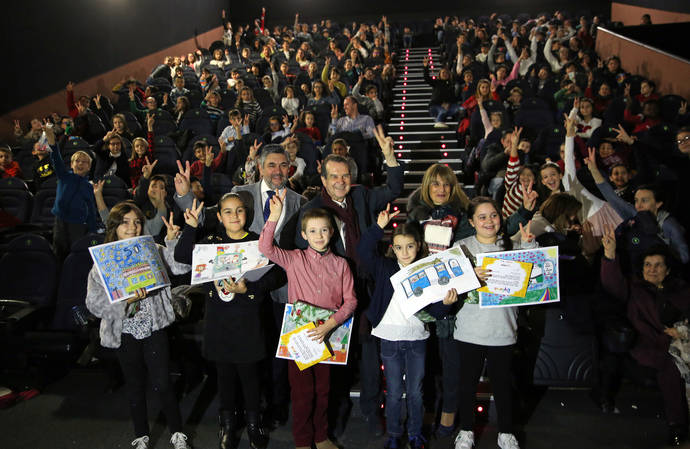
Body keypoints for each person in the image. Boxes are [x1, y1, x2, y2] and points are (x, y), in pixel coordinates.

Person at [295, 126, 403, 437]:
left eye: (345, 176)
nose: (341, 182)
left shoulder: (361, 195)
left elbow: (394, 187)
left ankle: (371, 411)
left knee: (370, 355)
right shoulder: (311, 211)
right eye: (334, 177)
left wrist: (389, 155)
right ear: (323, 180)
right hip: (333, 301)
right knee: (336, 361)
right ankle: (333, 419)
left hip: (367, 290)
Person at [85, 201, 192, 449]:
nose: (132, 227)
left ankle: (178, 433)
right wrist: (123, 302)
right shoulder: (103, 260)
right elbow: (93, 303)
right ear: (114, 226)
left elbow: (180, 267)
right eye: (125, 222)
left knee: (163, 383)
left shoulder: (152, 249)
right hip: (124, 331)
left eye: (137, 222)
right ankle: (141, 435)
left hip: (154, 326)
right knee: (134, 385)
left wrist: (173, 241)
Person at [175, 196, 276, 449]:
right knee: (225, 378)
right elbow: (182, 255)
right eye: (228, 212)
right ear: (219, 216)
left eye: (239, 210)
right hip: (219, 324)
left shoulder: (258, 242)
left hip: (248, 323)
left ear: (247, 214)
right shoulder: (211, 243)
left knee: (250, 378)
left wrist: (249, 288)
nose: (234, 216)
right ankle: (227, 425)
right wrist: (191, 227)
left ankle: (254, 424)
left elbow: (277, 275)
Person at [259, 192, 357, 449]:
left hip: (329, 335)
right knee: (302, 393)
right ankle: (303, 441)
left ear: (332, 233)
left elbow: (351, 301)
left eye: (324, 230)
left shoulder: (341, 265)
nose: (319, 235)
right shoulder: (294, 259)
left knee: (323, 392)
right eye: (313, 231)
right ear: (304, 235)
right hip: (300, 338)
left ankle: (321, 437)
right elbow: (266, 248)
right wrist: (274, 217)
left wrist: (332, 323)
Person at [357, 205, 458, 449]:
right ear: (392, 248)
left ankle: (414, 434)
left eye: (410, 246)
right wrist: (377, 228)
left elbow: (434, 311)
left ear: (419, 246)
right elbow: (363, 251)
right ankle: (394, 434)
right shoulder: (385, 268)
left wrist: (445, 304)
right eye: (399, 247)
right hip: (389, 337)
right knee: (393, 392)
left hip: (417, 339)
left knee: (415, 392)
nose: (405, 252)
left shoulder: (425, 271)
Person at [452, 197, 538, 449]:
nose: (489, 221)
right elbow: (448, 285)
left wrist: (531, 248)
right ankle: (466, 430)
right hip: (470, 329)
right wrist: (469, 275)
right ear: (471, 221)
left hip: (503, 328)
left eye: (493, 215)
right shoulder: (461, 247)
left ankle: (506, 432)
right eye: (482, 217)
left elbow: (536, 283)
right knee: (467, 384)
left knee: (503, 384)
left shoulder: (512, 245)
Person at [601, 227, 690, 446]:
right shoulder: (634, 288)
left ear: (667, 270)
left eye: (658, 265)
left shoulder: (680, 290)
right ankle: (677, 425)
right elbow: (612, 285)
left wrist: (682, 333)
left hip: (681, 342)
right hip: (647, 345)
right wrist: (610, 254)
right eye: (648, 265)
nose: (652, 270)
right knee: (670, 366)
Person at [44, 123, 100, 261]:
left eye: (84, 162)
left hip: (78, 225)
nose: (80, 164)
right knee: (58, 253)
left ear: (89, 167)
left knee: (75, 253)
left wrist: (93, 230)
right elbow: (56, 158)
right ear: (71, 164)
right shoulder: (64, 176)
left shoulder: (88, 186)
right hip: (60, 221)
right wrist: (51, 140)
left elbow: (91, 209)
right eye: (77, 161)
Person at [422, 57, 459, 129]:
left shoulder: (451, 85)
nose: (445, 74)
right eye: (443, 73)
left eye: (446, 73)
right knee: (443, 111)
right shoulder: (436, 82)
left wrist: (448, 103)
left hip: (447, 106)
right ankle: (438, 121)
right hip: (435, 106)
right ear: (439, 74)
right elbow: (427, 78)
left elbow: (453, 98)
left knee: (460, 109)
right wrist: (426, 67)